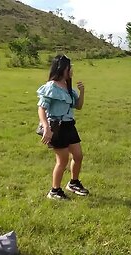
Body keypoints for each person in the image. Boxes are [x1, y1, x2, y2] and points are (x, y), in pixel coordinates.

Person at [37, 54, 89, 200]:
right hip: (57, 127)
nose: (71, 70)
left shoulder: (68, 87)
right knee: (62, 161)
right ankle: (55, 191)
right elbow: (41, 108)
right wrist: (46, 127)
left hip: (69, 125)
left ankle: (73, 183)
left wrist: (82, 92)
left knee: (78, 156)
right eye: (69, 67)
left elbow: (78, 106)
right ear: (62, 69)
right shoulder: (51, 87)